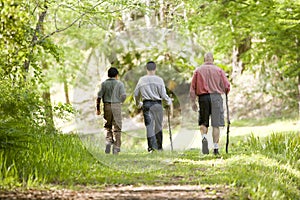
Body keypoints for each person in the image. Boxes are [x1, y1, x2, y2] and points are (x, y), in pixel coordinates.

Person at [189, 52, 230, 155]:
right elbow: (226, 86)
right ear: (213, 59)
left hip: (203, 98)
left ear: (204, 60)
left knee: (203, 122)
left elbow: (192, 88)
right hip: (216, 98)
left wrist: (193, 101)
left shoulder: (198, 71)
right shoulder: (219, 70)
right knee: (216, 124)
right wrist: (224, 92)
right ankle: (215, 148)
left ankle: (204, 139)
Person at [134, 61, 172, 153]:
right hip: (157, 104)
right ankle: (159, 147)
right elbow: (163, 94)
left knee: (149, 127)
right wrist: (168, 102)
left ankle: (152, 148)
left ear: (146, 69)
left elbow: (136, 94)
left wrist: (138, 104)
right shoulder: (159, 80)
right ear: (155, 69)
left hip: (147, 104)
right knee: (158, 126)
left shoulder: (142, 80)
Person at [96, 67, 126, 155]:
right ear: (117, 75)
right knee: (117, 128)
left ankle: (108, 141)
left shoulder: (104, 84)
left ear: (108, 75)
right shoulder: (120, 84)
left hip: (107, 106)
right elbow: (123, 96)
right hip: (116, 105)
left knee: (107, 126)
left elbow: (98, 98)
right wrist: (120, 101)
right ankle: (116, 148)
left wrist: (98, 109)